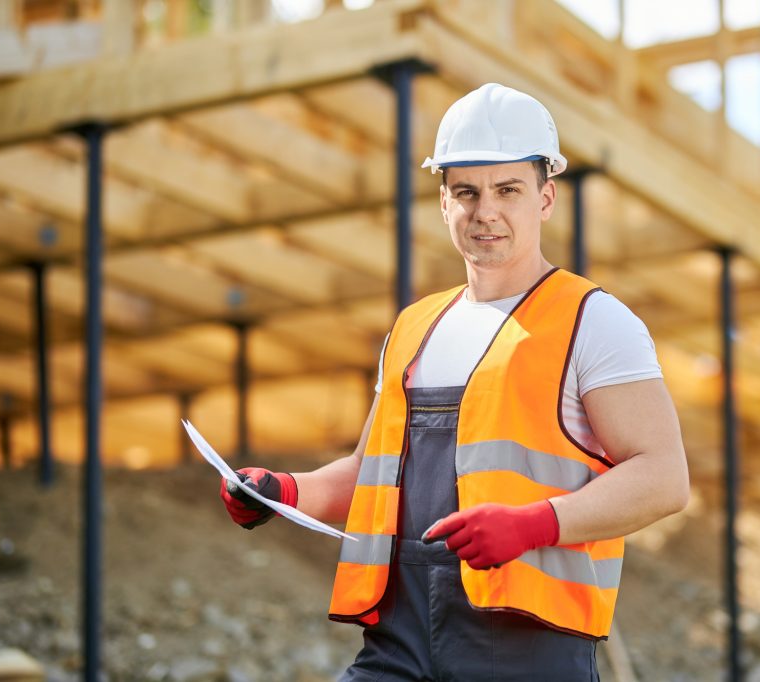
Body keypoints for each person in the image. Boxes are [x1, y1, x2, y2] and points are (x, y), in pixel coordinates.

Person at [220, 82, 690, 681]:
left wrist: (534, 524)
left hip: (527, 650)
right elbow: (373, 475)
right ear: (444, 202)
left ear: (545, 198)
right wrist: (284, 491)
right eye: (466, 191)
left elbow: (664, 477)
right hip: (398, 641)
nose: (484, 210)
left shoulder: (592, 320)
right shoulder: (414, 328)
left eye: (508, 190)